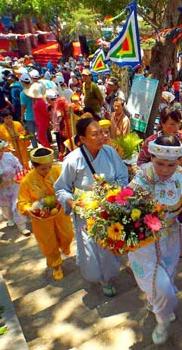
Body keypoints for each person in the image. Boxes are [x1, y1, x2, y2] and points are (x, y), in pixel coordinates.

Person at [54, 118, 128, 296]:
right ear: (82, 139)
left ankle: (108, 278)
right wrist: (71, 202)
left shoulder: (110, 153)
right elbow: (60, 188)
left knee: (109, 246)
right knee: (91, 248)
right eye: (95, 134)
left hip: (110, 209)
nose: (102, 137)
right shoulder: (73, 160)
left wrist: (112, 193)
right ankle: (97, 276)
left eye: (102, 132)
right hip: (87, 214)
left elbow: (123, 177)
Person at [128, 135, 182, 344]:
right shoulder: (142, 176)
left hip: (170, 240)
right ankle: (163, 321)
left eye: (171, 165)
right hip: (144, 243)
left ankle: (158, 305)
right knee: (162, 287)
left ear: (179, 162)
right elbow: (127, 205)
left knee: (167, 280)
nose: (164, 170)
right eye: (159, 164)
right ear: (151, 158)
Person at [18, 148, 74, 280]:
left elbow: (69, 186)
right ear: (34, 166)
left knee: (67, 234)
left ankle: (65, 246)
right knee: (48, 243)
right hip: (41, 218)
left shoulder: (58, 171)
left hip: (60, 212)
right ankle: (56, 265)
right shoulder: (27, 181)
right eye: (43, 169)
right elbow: (22, 202)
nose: (47, 171)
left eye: (49, 167)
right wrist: (28, 209)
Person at [0, 139, 30, 236]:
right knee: (5, 205)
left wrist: (16, 177)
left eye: (1, 150)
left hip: (14, 184)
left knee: (17, 204)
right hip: (1, 188)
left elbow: (19, 167)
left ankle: (22, 226)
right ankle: (10, 218)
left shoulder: (10, 156)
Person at [23, 83, 51, 148]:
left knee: (40, 137)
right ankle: (48, 148)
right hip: (39, 121)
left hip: (43, 122)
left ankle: (49, 148)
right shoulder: (35, 101)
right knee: (41, 137)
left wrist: (49, 121)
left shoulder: (40, 102)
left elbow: (45, 113)